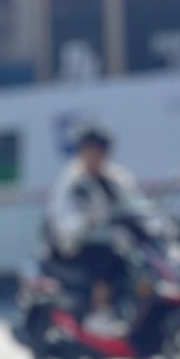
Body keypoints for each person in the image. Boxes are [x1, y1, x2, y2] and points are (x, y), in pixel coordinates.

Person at [46, 125, 143, 336]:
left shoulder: (116, 178)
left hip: (114, 241)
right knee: (107, 258)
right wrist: (86, 221)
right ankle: (99, 313)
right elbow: (61, 221)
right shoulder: (72, 181)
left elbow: (135, 203)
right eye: (91, 151)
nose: (96, 157)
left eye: (101, 151)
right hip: (73, 245)